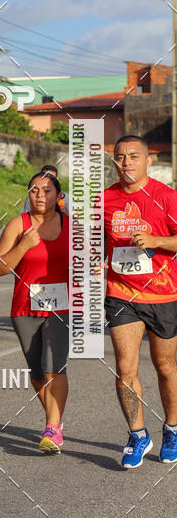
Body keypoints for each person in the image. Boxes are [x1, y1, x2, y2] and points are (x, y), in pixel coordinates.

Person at [104, 135, 177, 468]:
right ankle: (137, 434)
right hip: (122, 293)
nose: (126, 162)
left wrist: (157, 240)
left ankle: (172, 429)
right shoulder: (104, 199)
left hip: (164, 293)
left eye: (134, 156)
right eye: (120, 157)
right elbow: (93, 239)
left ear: (149, 160)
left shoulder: (167, 197)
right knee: (124, 368)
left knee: (165, 367)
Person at [0, 171, 70, 453]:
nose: (40, 194)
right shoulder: (18, 225)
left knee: (53, 365)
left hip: (62, 307)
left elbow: (87, 265)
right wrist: (24, 245)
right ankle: (56, 420)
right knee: (37, 370)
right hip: (24, 307)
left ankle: (51, 427)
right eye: (34, 189)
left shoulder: (71, 226)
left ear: (58, 197)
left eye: (47, 190)